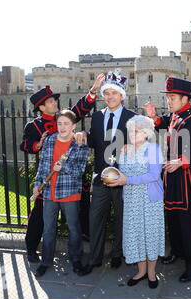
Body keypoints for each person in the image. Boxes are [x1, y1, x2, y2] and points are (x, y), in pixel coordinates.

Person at [20, 74, 104, 263]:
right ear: (41, 107)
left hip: (70, 176)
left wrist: (93, 90)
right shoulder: (33, 125)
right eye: (51, 101)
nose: (55, 102)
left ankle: (83, 245)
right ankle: (32, 248)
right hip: (48, 177)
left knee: (80, 210)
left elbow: (80, 109)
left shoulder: (64, 118)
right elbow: (25, 145)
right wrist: (38, 145)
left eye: (54, 100)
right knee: (40, 216)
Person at [143, 77, 191, 283]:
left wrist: (181, 161)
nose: (168, 101)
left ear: (184, 98)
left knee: (186, 223)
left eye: (172, 98)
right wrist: (154, 117)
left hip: (187, 180)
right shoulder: (176, 115)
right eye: (168, 97)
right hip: (172, 177)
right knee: (173, 219)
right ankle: (178, 252)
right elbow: (165, 124)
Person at [79, 70, 137, 276]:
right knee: (96, 219)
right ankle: (94, 259)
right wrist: (83, 134)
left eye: (114, 93)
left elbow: (144, 145)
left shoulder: (133, 118)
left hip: (122, 177)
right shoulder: (96, 116)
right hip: (100, 177)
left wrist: (134, 148)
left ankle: (116, 255)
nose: (110, 96)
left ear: (122, 95)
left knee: (122, 218)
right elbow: (94, 142)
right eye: (107, 93)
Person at [105, 115, 165, 289]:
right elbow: (122, 174)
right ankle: (141, 271)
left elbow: (154, 175)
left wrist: (127, 180)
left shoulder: (153, 149)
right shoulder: (125, 150)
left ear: (146, 132)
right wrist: (112, 178)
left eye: (136, 131)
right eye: (130, 130)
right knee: (135, 236)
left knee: (151, 236)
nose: (132, 133)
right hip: (131, 201)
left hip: (150, 201)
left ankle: (152, 273)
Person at [32, 110, 90, 277]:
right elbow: (43, 166)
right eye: (60, 123)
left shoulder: (80, 143)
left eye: (66, 123)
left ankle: (76, 259)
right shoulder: (50, 141)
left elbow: (79, 171)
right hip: (50, 192)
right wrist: (37, 185)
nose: (62, 127)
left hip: (69, 192)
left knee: (74, 227)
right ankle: (46, 261)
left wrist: (62, 167)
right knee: (48, 227)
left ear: (73, 126)